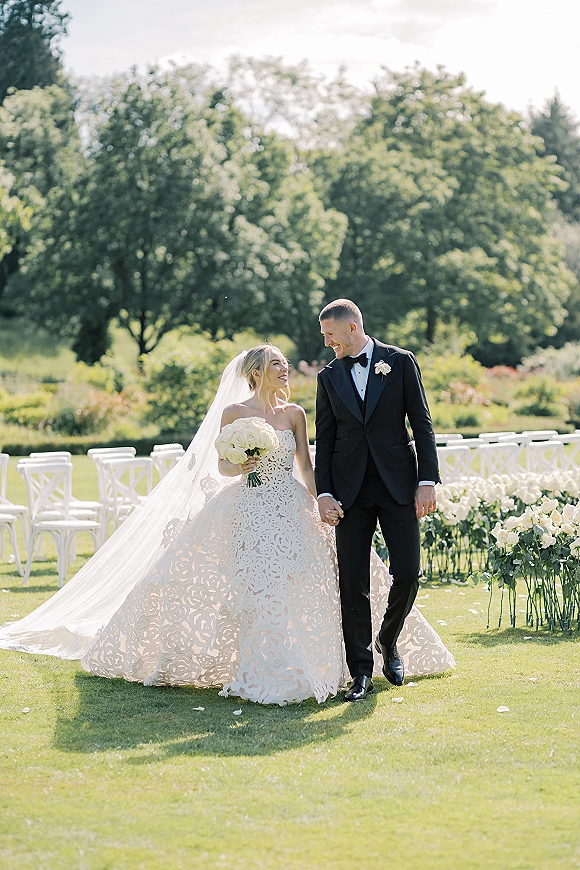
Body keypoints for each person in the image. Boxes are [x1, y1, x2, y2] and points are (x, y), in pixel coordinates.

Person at [0, 346, 454, 704]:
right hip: (250, 507)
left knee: (304, 583)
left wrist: (322, 499)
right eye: (277, 365)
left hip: (291, 505)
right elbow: (221, 465)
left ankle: (324, 659)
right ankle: (266, 667)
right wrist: (244, 463)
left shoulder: (294, 414)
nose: (285, 370)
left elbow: (309, 465)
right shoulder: (234, 415)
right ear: (256, 372)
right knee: (257, 587)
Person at [316, 299, 440, 701]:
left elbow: (422, 423)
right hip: (348, 492)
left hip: (398, 485)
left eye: (330, 335)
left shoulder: (400, 362)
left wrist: (427, 480)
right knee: (353, 584)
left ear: (352, 328)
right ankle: (362, 673)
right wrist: (325, 492)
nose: (327, 343)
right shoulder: (328, 376)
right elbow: (326, 439)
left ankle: (388, 639)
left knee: (408, 572)